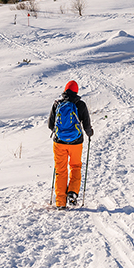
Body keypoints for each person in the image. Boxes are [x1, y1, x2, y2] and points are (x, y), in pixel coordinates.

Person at [48, 80, 93, 209]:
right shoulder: (80, 105)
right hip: (76, 143)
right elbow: (86, 126)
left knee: (60, 170)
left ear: (65, 90)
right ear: (76, 91)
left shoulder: (57, 104)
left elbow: (51, 125)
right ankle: (73, 193)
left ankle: (60, 202)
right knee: (75, 167)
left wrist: (60, 132)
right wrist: (90, 133)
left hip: (59, 143)